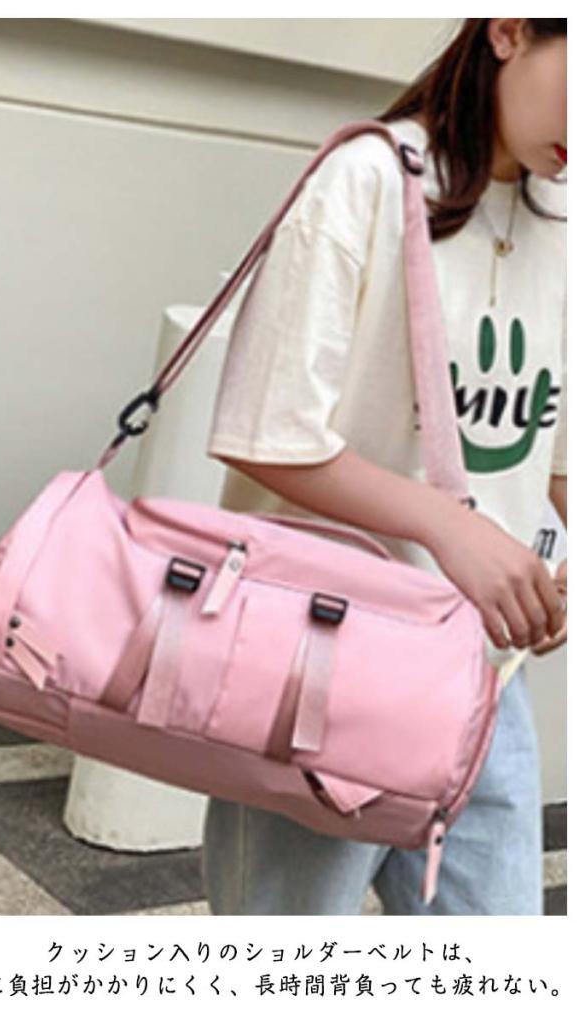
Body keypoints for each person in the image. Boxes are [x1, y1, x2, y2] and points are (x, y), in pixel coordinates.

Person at [201, 18, 567, 915]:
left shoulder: (565, 220)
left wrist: (555, 567)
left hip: (483, 676)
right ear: (510, 29)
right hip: (324, 662)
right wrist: (451, 528)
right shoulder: (366, 178)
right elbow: (265, 430)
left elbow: (553, 451)